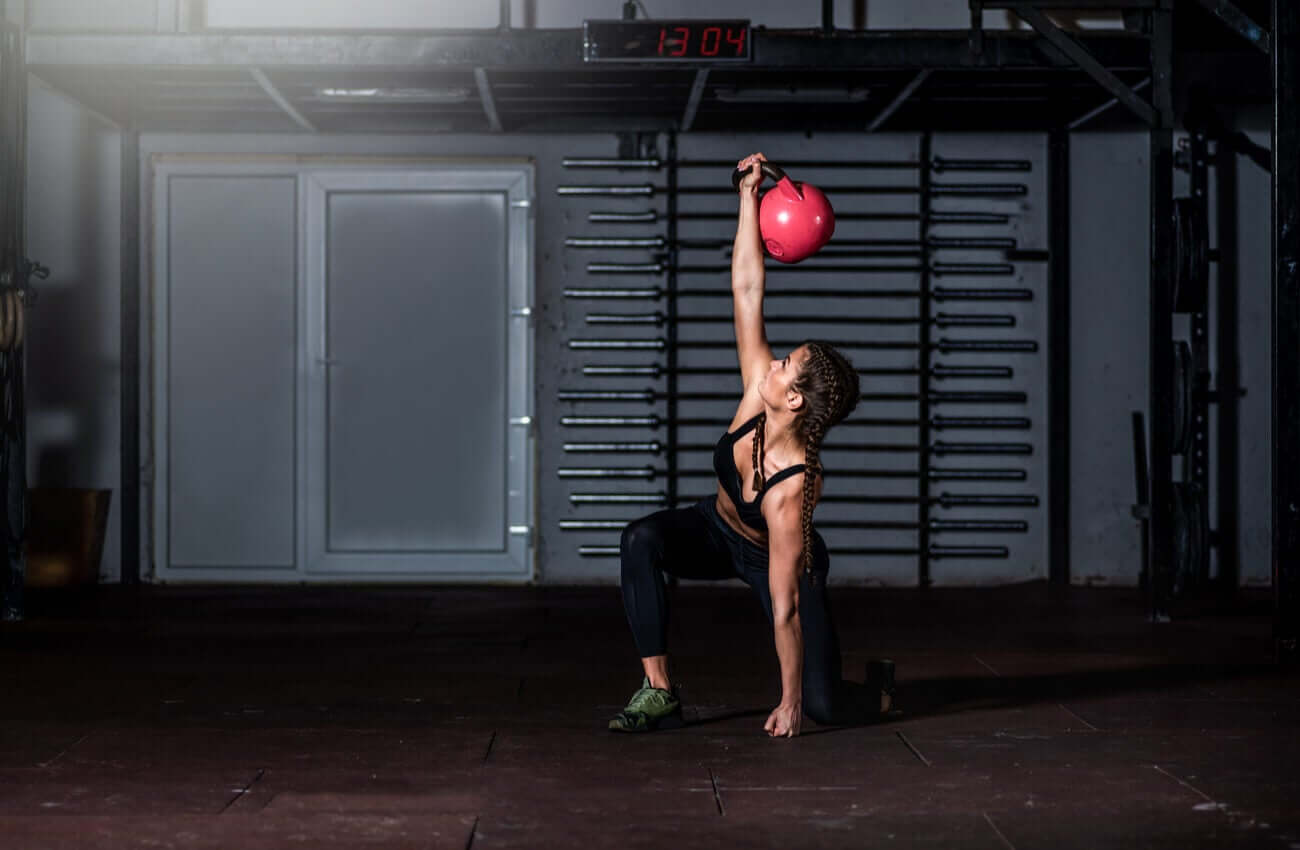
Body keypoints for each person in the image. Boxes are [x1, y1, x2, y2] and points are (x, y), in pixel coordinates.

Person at [610, 152, 888, 738]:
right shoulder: (758, 396)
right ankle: (658, 692)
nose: (774, 360)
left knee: (824, 709)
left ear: (794, 402)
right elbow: (745, 289)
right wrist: (747, 197)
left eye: (785, 364)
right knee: (641, 539)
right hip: (715, 531)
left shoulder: (793, 487)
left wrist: (787, 703)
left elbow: (783, 607)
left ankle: (878, 692)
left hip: (774, 559)